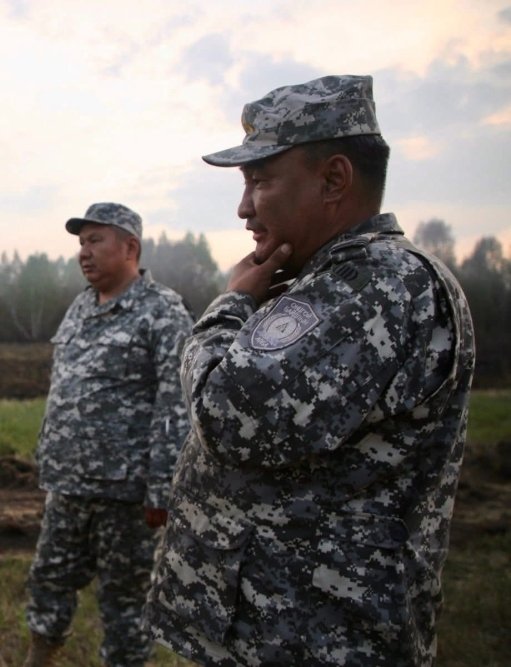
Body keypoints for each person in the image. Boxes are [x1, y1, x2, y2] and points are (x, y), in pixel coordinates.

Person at [143, 75, 476, 667]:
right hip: (276, 632)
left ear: (333, 180)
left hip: (318, 640)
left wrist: (227, 307)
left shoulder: (374, 284)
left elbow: (225, 415)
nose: (244, 207)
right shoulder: (324, 280)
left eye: (259, 180)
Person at [22, 202, 195, 667]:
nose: (84, 252)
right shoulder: (80, 306)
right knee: (49, 581)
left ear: (130, 247)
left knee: (125, 602)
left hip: (126, 494)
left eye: (95, 241)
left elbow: (175, 404)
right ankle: (39, 657)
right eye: (81, 243)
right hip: (68, 485)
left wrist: (162, 489)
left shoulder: (163, 312)